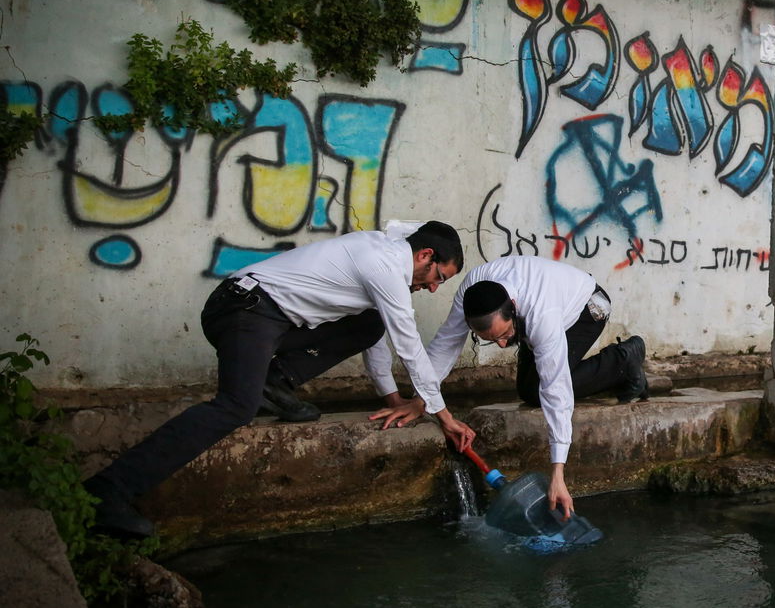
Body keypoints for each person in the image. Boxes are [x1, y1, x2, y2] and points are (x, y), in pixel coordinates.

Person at [83, 221, 473, 538]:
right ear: (424, 255)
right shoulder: (385, 265)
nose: (433, 287)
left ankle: (275, 381)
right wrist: (443, 415)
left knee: (369, 323)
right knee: (236, 406)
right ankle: (107, 492)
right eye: (438, 275)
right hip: (244, 308)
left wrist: (391, 398)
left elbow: (380, 335)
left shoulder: (387, 253)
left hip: (271, 318)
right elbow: (409, 346)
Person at [367, 255, 647, 519]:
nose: (503, 345)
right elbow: (446, 344)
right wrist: (420, 400)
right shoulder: (471, 292)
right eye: (490, 340)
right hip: (542, 304)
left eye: (504, 335)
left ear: (513, 307)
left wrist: (557, 473)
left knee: (543, 387)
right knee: (528, 392)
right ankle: (619, 363)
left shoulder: (542, 315)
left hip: (588, 306)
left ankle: (625, 358)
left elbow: (556, 389)